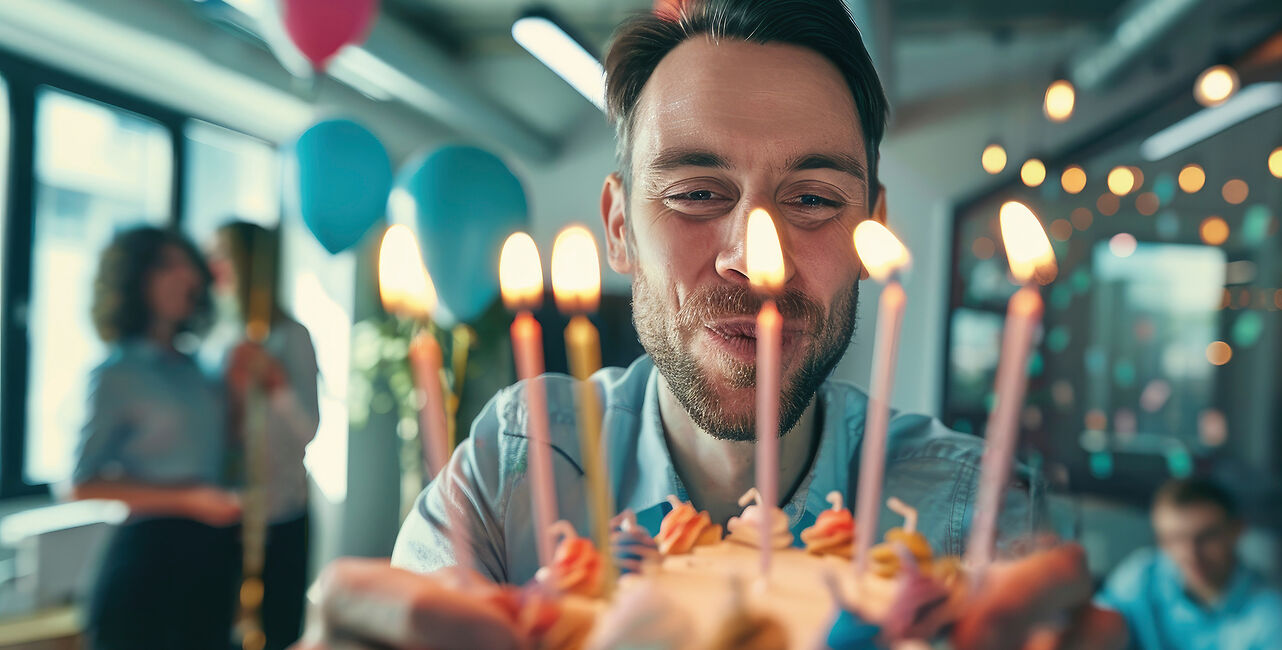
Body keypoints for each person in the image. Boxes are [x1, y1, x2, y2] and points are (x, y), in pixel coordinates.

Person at [301, 1, 1126, 648]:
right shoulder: (514, 466)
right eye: (697, 193)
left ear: (870, 232)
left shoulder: (968, 514)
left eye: (811, 199)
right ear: (619, 227)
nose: (750, 259)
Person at [70, 226, 242, 649]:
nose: (188, 277)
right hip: (148, 564)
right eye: (168, 264)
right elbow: (80, 483)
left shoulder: (199, 369)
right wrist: (187, 498)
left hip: (210, 560)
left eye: (190, 265)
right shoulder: (116, 373)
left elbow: (224, 449)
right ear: (135, 278)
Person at [205, 220, 321, 649]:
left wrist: (277, 385)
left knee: (278, 631)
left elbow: (308, 429)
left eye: (223, 254)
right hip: (222, 513)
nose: (213, 265)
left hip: (282, 512)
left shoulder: (292, 337)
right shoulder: (212, 341)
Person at [1097, 478, 1282, 649]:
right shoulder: (1142, 577)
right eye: (1173, 539)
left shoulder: (1278, 616)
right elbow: (1092, 630)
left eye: (1206, 537)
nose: (1189, 553)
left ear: (1237, 531)